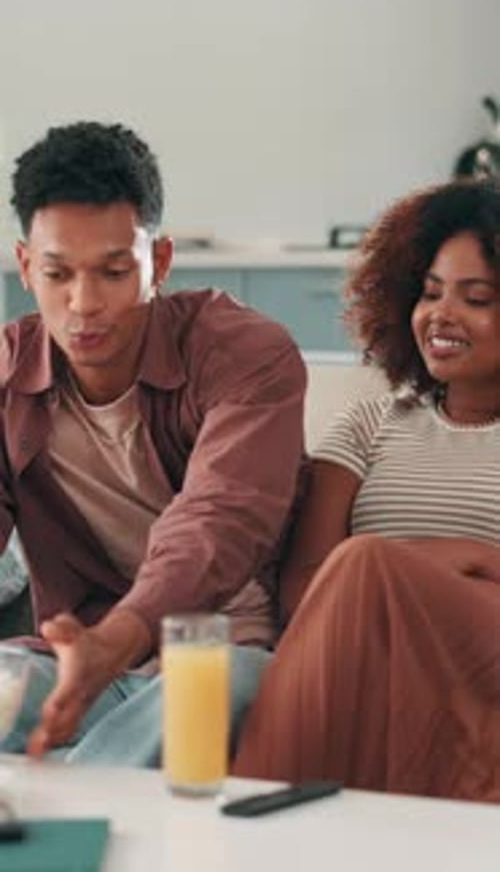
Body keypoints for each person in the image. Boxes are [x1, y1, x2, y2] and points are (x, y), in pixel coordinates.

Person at [0, 120, 307, 764]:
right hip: (72, 663)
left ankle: (67, 830)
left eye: (113, 272)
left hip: (221, 653)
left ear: (158, 261)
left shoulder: (244, 355)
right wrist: (91, 654)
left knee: (225, 688)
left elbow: (218, 521)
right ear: (26, 266)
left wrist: (114, 641)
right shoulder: (8, 373)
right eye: (58, 273)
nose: (83, 304)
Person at [232, 179, 500, 802]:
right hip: (376, 658)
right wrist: (452, 557)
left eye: (477, 297)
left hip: (483, 654)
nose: (442, 315)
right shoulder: (370, 422)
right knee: (361, 565)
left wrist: (389, 566)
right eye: (429, 293)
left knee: (362, 561)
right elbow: (305, 589)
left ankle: (246, 812)